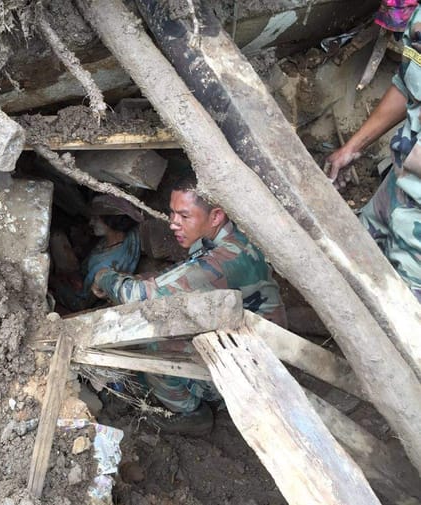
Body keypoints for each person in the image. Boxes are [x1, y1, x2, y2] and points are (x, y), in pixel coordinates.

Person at [91, 175, 286, 435]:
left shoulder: (224, 260)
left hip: (252, 369)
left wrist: (104, 277)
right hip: (247, 337)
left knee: (154, 345)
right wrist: (146, 279)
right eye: (172, 213)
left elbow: (139, 297)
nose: (173, 223)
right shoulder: (228, 239)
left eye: (184, 216)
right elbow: (185, 273)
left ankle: (191, 413)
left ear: (215, 216)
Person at [326, 5, 421, 302]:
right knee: (354, 252)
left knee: (404, 305)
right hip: (399, 183)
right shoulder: (417, 18)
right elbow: (407, 84)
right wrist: (351, 148)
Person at [50, 194, 142, 312]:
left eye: (95, 219)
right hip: (83, 273)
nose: (91, 223)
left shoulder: (102, 267)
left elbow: (81, 303)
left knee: (56, 236)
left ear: (110, 221)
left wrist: (55, 284)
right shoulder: (130, 235)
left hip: (79, 287)